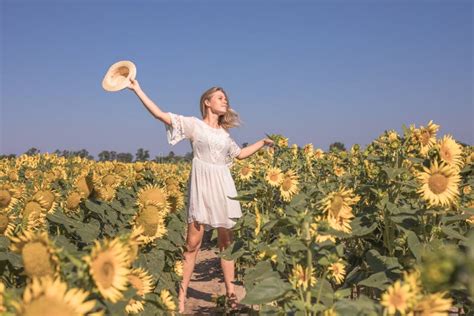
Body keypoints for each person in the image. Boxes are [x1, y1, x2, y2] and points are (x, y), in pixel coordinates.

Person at [128, 78, 274, 313]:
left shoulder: (225, 135)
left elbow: (240, 154)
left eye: (226, 98)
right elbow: (160, 115)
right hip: (202, 187)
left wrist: (262, 142)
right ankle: (182, 296)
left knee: (227, 244)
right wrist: (137, 89)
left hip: (224, 187)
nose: (225, 100)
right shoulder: (194, 125)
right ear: (207, 103)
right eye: (220, 97)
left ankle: (231, 295)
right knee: (192, 244)